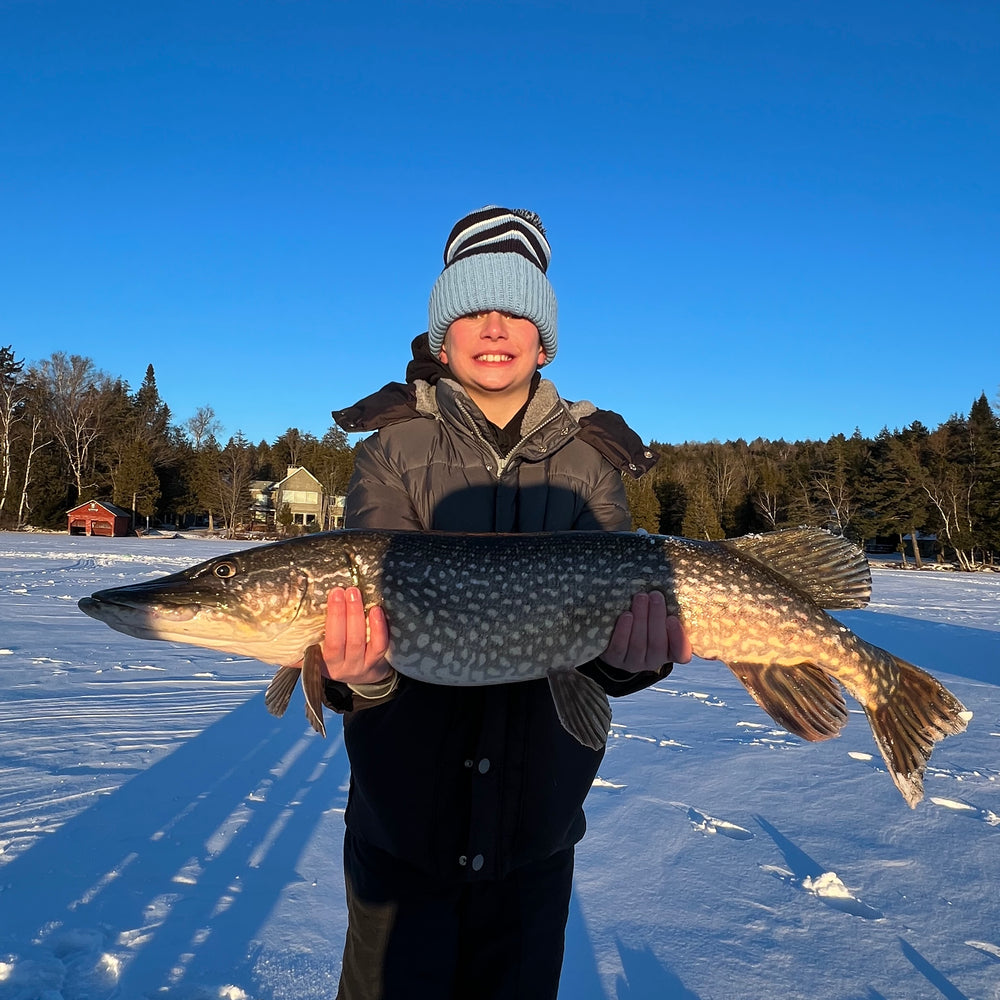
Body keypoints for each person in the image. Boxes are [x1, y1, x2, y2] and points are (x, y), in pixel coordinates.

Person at [320, 206, 692, 1000]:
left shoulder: (592, 462)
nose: (495, 325)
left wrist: (631, 665)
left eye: (518, 308)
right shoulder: (391, 451)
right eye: (471, 308)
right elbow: (368, 634)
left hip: (536, 832)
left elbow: (604, 645)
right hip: (403, 832)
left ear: (545, 335)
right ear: (439, 337)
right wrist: (361, 675)